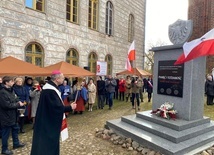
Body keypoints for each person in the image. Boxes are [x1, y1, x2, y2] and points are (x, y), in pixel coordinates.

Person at [30, 71, 77, 155]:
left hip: (46, 118)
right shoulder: (50, 90)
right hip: (48, 122)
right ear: (57, 79)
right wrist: (70, 107)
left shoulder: (51, 88)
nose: (64, 79)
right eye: (62, 78)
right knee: (47, 143)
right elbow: (56, 107)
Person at [0, 76, 26, 155]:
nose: (13, 83)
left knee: (16, 129)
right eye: (11, 81)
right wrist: (18, 104)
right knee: (5, 133)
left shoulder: (11, 90)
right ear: (6, 82)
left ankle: (16, 143)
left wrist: (19, 101)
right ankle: (4, 149)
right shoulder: (2, 92)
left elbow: (15, 98)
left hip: (14, 115)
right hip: (6, 116)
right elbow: (6, 105)